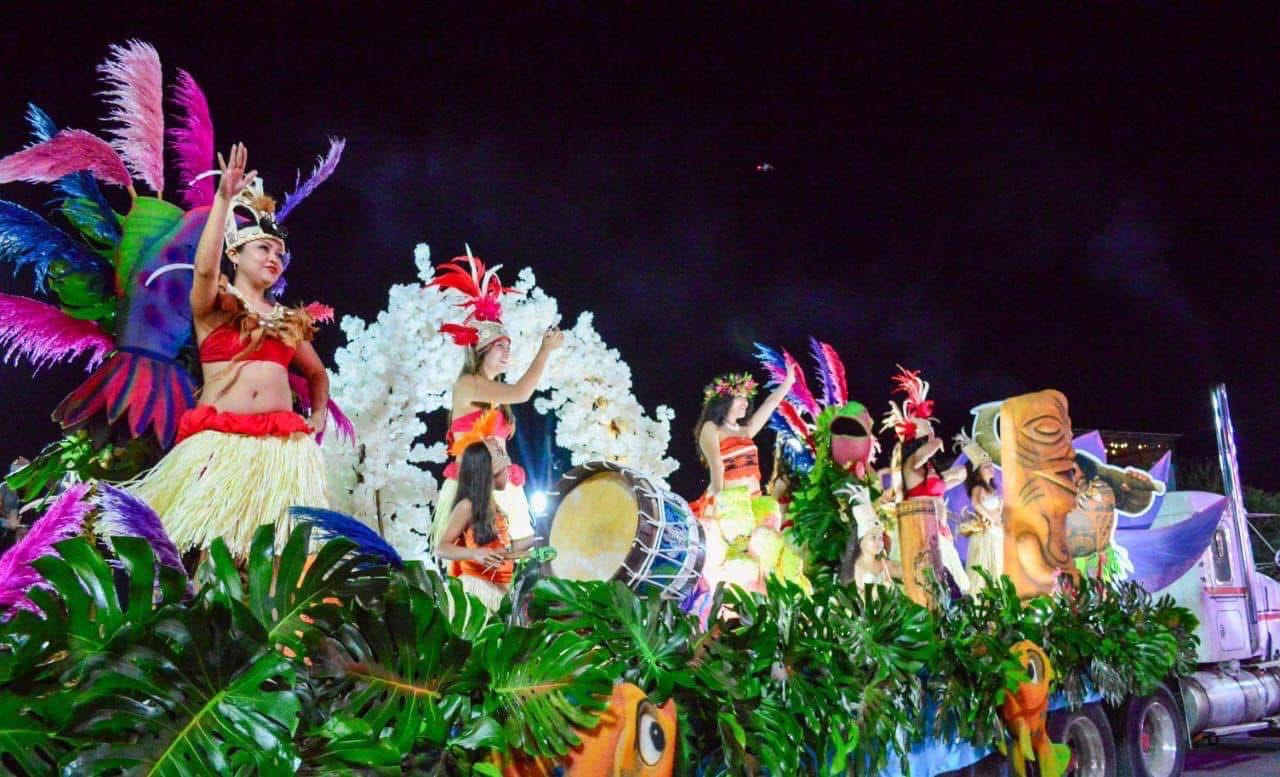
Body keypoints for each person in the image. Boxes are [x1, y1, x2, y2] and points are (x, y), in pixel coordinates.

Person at [129, 144, 330, 560]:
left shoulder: (287, 320)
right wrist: (223, 200)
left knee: (273, 555)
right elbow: (205, 269)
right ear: (235, 254)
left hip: (281, 448)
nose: (274, 258)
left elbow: (317, 373)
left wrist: (318, 414)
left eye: (279, 253)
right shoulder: (214, 309)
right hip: (221, 442)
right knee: (214, 553)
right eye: (264, 249)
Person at [428, 252, 563, 557]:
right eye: (500, 346)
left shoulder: (495, 397)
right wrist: (544, 350)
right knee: (475, 566)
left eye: (508, 346)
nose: (507, 352)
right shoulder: (467, 385)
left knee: (521, 557)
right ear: (481, 350)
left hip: (503, 482)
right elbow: (522, 392)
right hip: (473, 485)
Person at [689, 368, 810, 606]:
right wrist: (719, 501)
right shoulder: (712, 428)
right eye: (739, 397)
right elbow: (716, 465)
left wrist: (789, 381)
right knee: (734, 558)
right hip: (730, 503)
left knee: (766, 554)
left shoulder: (745, 430)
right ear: (724, 401)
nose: (745, 403)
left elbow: (771, 403)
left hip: (754, 502)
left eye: (747, 398)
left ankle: (766, 603)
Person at [436, 440, 536, 610]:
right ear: (490, 474)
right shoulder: (467, 506)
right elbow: (441, 548)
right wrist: (474, 553)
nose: (509, 473)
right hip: (478, 592)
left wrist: (539, 539)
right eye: (504, 469)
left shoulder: (494, 507)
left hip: (500, 590)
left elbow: (505, 551)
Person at [956, 434, 1004, 590]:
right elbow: (975, 504)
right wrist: (990, 519)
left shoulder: (992, 490)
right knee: (986, 573)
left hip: (997, 533)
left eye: (991, 465)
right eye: (986, 466)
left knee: (999, 570)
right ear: (977, 472)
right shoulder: (978, 488)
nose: (991, 469)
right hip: (986, 534)